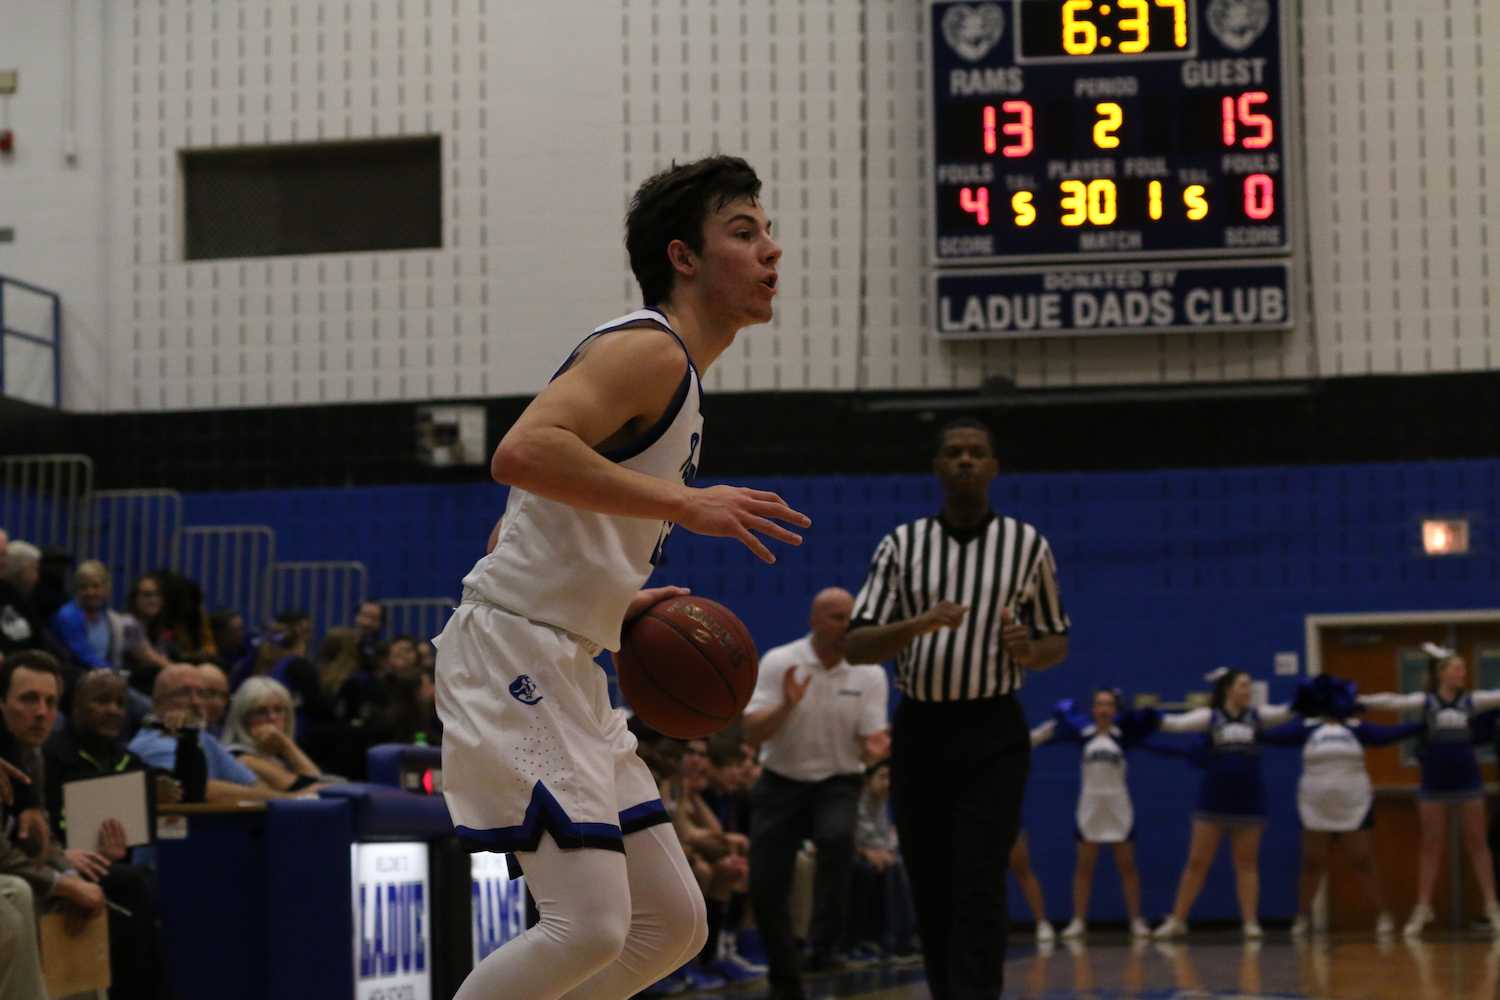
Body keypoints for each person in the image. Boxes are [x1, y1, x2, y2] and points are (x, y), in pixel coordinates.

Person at [434, 154, 807, 1000]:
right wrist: (690, 504)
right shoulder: (649, 350)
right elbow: (522, 454)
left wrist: (616, 595)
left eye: (767, 231)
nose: (771, 251)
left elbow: (517, 522)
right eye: (743, 233)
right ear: (684, 257)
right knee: (591, 924)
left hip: (569, 652)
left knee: (671, 923)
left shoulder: (678, 378)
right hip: (514, 652)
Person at [844, 416, 1071, 1000]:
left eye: (977, 453)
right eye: (954, 452)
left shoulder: (1027, 545)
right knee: (929, 878)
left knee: (978, 877)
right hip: (921, 729)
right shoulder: (901, 544)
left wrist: (1031, 649)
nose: (966, 461)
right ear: (938, 467)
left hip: (993, 730)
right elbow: (857, 641)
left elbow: (1055, 642)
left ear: (993, 468)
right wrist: (919, 624)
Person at [740, 587, 888, 998]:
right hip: (781, 779)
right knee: (766, 884)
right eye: (836, 617)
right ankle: (786, 975)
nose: (845, 626)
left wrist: (877, 747)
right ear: (814, 620)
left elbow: (872, 740)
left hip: (838, 781)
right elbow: (751, 732)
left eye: (850, 618)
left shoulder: (869, 672)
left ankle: (826, 945)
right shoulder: (781, 661)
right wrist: (787, 705)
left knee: (838, 838)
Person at [1, 652, 170, 999]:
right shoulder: (45, 754)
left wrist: (72, 877)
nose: (41, 712)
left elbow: (43, 843)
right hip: (12, 878)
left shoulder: (33, 755)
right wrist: (63, 882)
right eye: (28, 699)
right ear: (1, 704)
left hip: (26, 869)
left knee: (95, 893)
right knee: (21, 893)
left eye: (50, 702)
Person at [1358, 643, 1500, 936]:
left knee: (1478, 844)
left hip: (1468, 782)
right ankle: (1423, 908)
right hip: (1434, 782)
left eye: (1463, 668)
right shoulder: (1426, 702)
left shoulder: (1473, 701)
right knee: (1430, 846)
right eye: (1457, 668)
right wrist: (1359, 700)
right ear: (1441, 673)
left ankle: (1491, 906)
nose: (1463, 673)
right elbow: (1393, 702)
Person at [1263, 674, 1420, 937]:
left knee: (1362, 859)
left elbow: (1389, 734)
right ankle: (1302, 918)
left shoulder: (1356, 728)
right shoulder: (1307, 727)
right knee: (1312, 862)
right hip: (1316, 803)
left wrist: (1422, 726)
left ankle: (1383, 915)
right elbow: (1271, 736)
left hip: (1353, 801)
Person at [1153, 669, 1293, 939]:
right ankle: (1178, 920)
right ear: (1228, 689)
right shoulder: (1210, 717)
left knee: (1247, 864)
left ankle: (1250, 923)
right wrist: (1145, 718)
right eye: (1243, 685)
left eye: (1250, 685)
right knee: (1197, 862)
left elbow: (1288, 712)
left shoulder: (1258, 717)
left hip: (1249, 801)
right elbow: (1175, 724)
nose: (1248, 690)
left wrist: (1311, 699)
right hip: (1213, 801)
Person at [1030, 690, 1162, 939]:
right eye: (1099, 704)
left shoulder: (1122, 737)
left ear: (1115, 710)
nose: (1104, 709)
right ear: (1093, 710)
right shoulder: (1083, 735)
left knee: (1128, 867)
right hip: (1090, 806)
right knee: (1084, 868)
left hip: (1118, 806)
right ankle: (1078, 920)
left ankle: (1136, 920)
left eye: (1109, 705)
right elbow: (1050, 729)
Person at [127, 663, 297, 803]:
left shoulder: (204, 738)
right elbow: (198, 789)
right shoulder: (154, 741)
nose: (196, 702)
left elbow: (255, 785)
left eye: (201, 693)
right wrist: (289, 799)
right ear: (158, 703)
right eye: (184, 693)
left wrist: (282, 799)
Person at [845, 759, 917, 963]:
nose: (888, 783)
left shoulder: (882, 803)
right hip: (856, 855)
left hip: (876, 853)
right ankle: (884, 940)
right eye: (883, 777)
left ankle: (903, 939)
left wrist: (886, 851)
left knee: (898, 865)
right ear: (868, 781)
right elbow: (857, 837)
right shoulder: (857, 802)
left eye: (891, 777)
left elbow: (887, 836)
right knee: (881, 868)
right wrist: (872, 852)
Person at [221, 676, 335, 792]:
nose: (272, 717)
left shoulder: (275, 756)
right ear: (243, 719)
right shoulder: (239, 757)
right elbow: (318, 790)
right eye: (261, 711)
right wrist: (287, 746)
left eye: (279, 710)